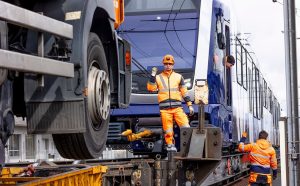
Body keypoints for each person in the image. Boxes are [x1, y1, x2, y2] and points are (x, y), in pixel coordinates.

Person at [147, 54, 194, 151]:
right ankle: (170, 145)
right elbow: (151, 88)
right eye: (166, 64)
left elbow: (184, 92)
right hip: (165, 110)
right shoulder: (158, 77)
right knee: (168, 130)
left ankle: (190, 146)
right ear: (163, 65)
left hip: (177, 108)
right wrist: (152, 76)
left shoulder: (178, 77)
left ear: (173, 65)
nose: (168, 65)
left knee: (186, 126)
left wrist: (190, 105)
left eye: (170, 64)